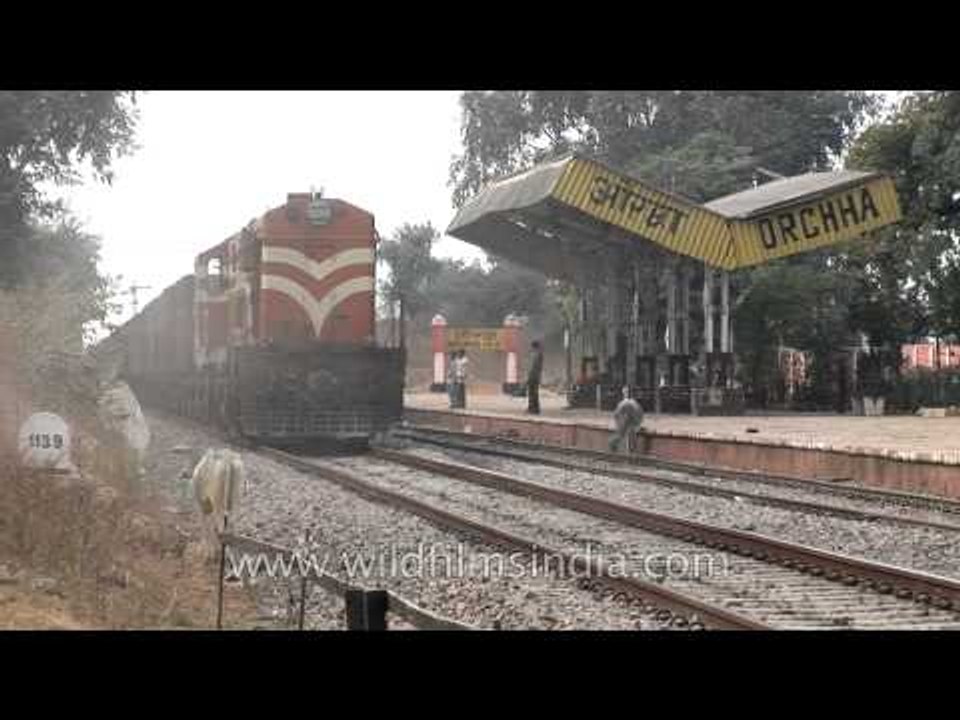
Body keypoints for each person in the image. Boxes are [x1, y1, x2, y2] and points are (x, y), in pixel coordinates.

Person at [609, 386, 644, 454]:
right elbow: (616, 414)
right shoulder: (625, 403)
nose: (627, 393)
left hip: (631, 423)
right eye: (625, 392)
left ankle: (629, 451)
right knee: (626, 435)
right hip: (627, 424)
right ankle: (628, 451)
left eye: (627, 392)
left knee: (629, 435)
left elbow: (639, 413)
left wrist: (637, 423)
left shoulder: (630, 402)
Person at [527, 340, 543, 414]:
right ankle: (535, 408)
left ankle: (532, 408)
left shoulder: (535, 354)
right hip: (537, 376)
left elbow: (532, 366)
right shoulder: (539, 354)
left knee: (532, 393)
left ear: (533, 347)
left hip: (533, 376)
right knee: (535, 393)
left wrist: (529, 376)